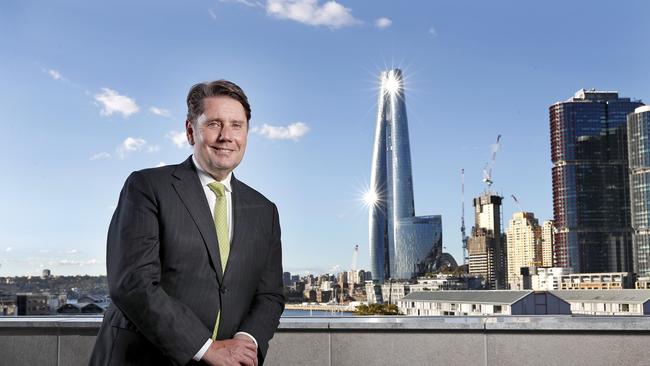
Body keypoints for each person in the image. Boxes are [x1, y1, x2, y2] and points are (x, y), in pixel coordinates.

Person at [89, 80, 285, 366]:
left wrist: (247, 339)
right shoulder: (147, 187)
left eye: (236, 125)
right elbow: (133, 283)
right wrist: (206, 348)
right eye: (214, 124)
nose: (226, 136)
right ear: (191, 131)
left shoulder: (264, 211)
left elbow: (269, 294)